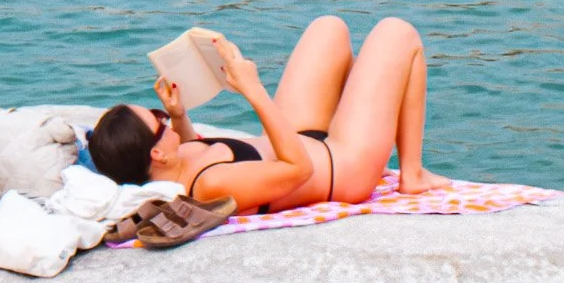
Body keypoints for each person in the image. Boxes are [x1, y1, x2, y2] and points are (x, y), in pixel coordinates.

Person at [88, 18, 450, 215]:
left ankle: (365, 105)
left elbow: (195, 147)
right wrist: (251, 88)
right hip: (342, 164)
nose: (162, 119)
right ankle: (413, 175)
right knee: (399, 33)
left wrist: (178, 115)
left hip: (300, 136)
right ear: (156, 154)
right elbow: (298, 170)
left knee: (329, 28)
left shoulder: (178, 160)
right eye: (157, 120)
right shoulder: (211, 187)